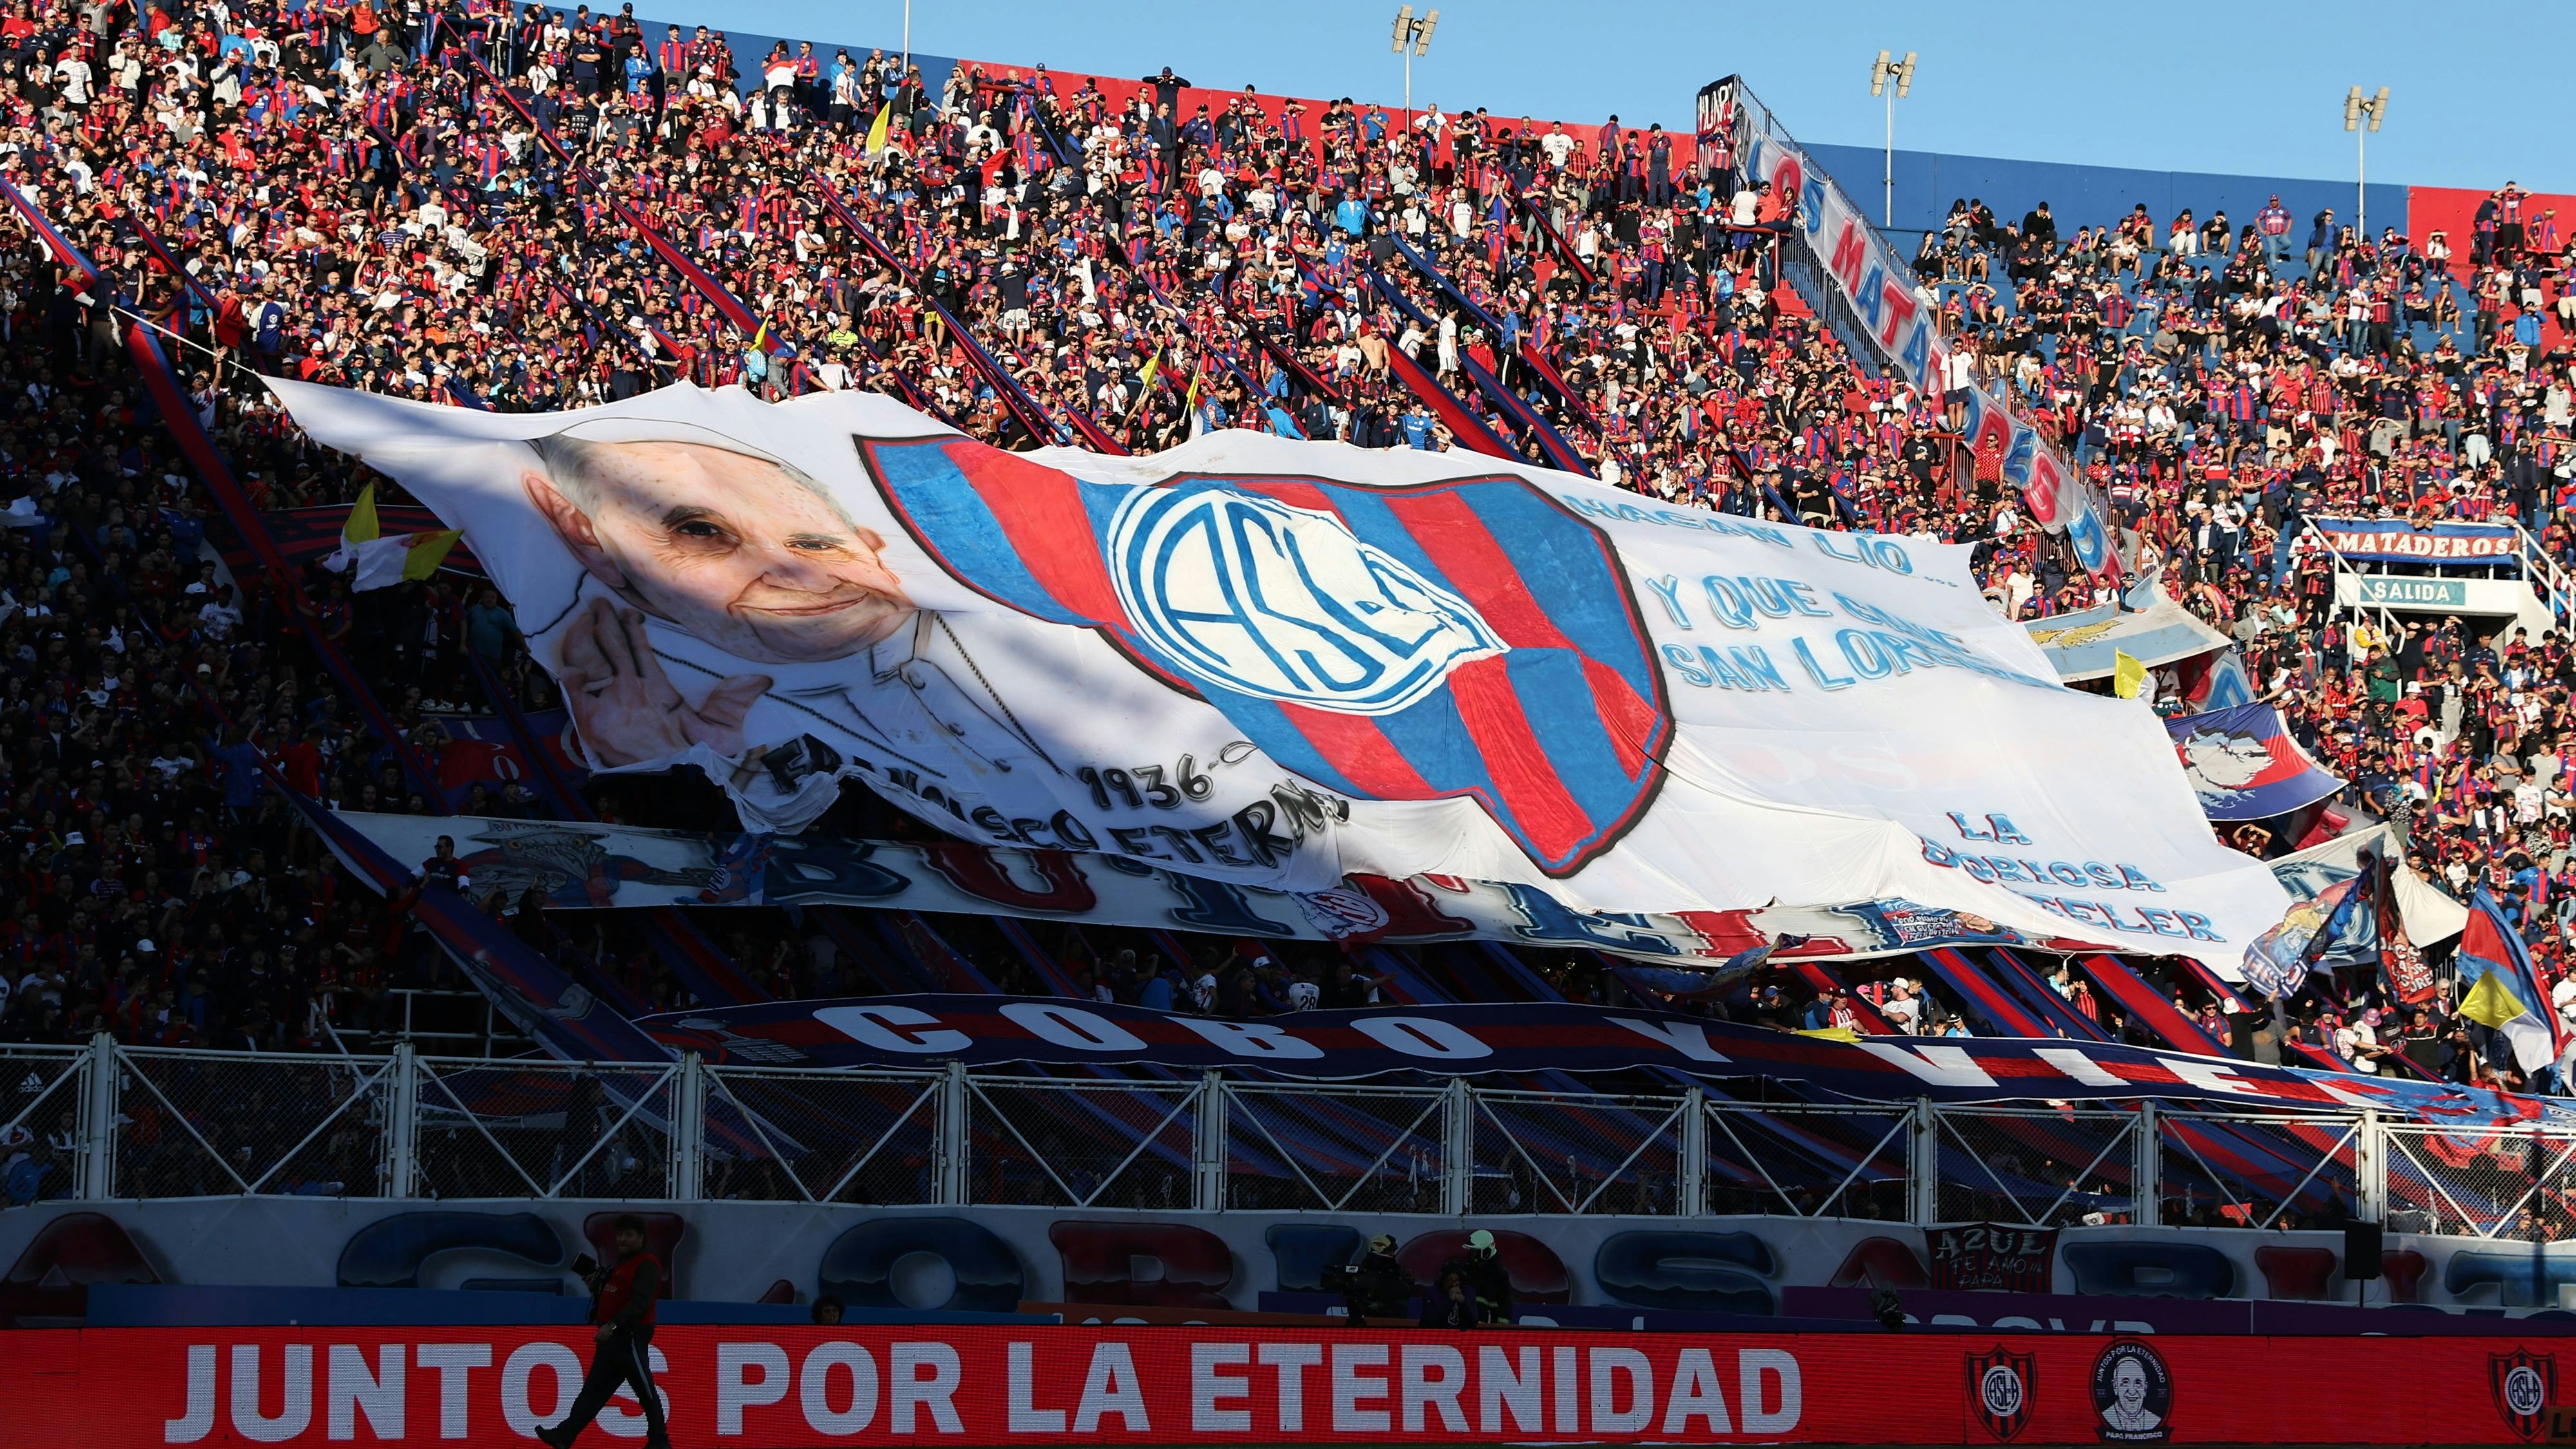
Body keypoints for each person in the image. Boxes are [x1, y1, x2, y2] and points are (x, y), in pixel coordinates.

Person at [538, 1215, 671, 1449]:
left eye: (629, 1235)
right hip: (612, 1340)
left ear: (641, 1237)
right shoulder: (620, 1264)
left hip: (628, 1336)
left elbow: (640, 1304)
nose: (622, 1239)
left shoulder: (646, 1264)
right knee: (593, 1392)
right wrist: (596, 1289)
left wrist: (613, 1326)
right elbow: (615, 1297)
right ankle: (564, 1435)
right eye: (620, 1234)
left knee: (645, 1390)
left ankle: (659, 1441)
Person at [1338, 1233, 1412, 1327]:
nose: (1393, 1255)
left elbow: (1403, 1291)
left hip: (1394, 1323)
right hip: (1372, 1324)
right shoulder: (1366, 1275)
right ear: (1380, 1252)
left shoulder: (1395, 1272)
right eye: (1390, 1251)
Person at [1441, 1228, 1512, 1323]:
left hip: (1487, 1329)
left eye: (1474, 1252)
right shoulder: (1467, 1271)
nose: (1471, 1255)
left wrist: (1500, 1330)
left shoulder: (1500, 1276)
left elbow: (1505, 1307)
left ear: (1485, 1253)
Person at [1419, 1265, 1481, 1329]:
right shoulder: (1431, 1293)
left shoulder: (1468, 1292)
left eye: (1457, 1280)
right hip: (1439, 1335)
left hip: (1462, 1336)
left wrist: (1463, 1302)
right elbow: (1429, 1323)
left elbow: (1474, 1322)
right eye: (1450, 1280)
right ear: (1443, 1282)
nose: (1454, 1284)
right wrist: (1449, 1301)